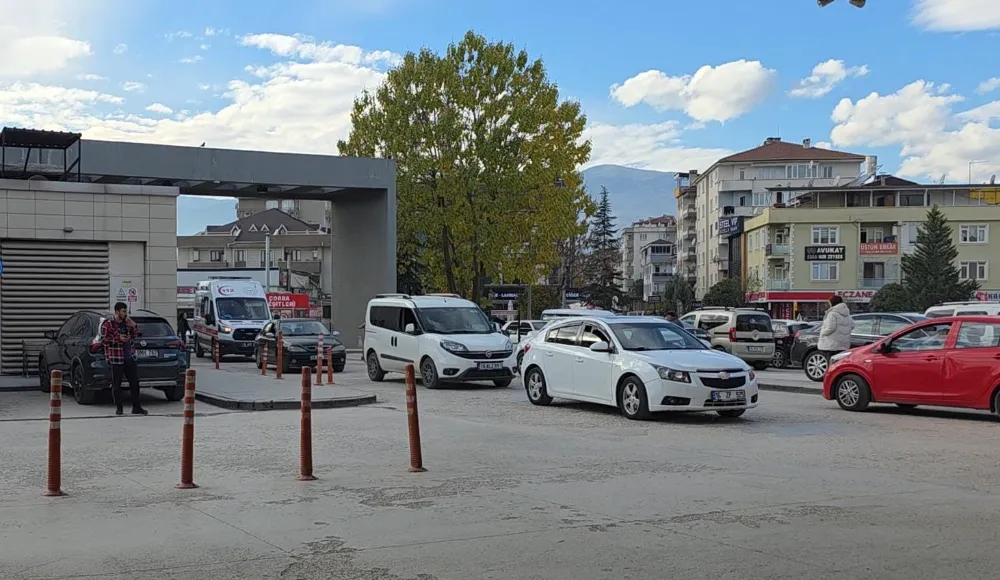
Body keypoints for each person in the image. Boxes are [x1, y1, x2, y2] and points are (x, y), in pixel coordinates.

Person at [101, 302, 148, 416]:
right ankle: (119, 407)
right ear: (117, 312)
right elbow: (104, 340)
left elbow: (135, 335)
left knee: (135, 382)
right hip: (116, 358)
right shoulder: (108, 324)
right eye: (123, 311)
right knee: (117, 384)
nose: (125, 313)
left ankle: (136, 407)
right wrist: (118, 338)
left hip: (129, 356)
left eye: (126, 311)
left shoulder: (127, 323)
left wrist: (134, 326)